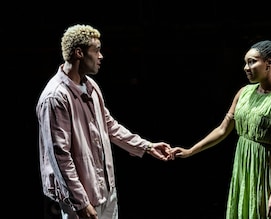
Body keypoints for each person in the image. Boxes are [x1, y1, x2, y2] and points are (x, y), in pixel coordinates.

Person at [36, 24, 174, 219]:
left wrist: (147, 146)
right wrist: (80, 202)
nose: (101, 56)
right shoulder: (55, 97)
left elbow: (109, 126)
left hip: (106, 191)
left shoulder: (91, 86)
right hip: (81, 199)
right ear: (79, 53)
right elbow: (60, 157)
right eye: (97, 50)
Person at [170, 39, 271, 219]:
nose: (246, 67)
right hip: (245, 165)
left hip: (268, 169)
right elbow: (223, 129)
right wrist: (190, 151)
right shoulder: (244, 92)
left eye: (252, 61)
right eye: (246, 62)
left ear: (269, 64)